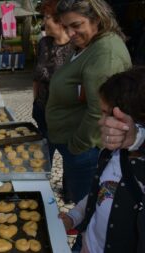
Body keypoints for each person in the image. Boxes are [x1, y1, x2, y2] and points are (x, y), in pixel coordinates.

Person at [45, 0, 132, 204]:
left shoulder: (105, 52)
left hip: (88, 151)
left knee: (87, 209)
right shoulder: (88, 46)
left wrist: (77, 146)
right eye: (66, 27)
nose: (71, 33)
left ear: (97, 19)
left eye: (76, 25)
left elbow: (99, 110)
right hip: (77, 147)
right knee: (81, 207)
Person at [59, 67, 145, 253]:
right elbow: (98, 194)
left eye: (107, 113)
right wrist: (73, 217)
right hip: (88, 246)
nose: (101, 121)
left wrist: (138, 136)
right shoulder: (108, 154)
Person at [32, 0, 73, 170]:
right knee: (42, 155)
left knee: (70, 158)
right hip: (42, 109)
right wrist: (35, 102)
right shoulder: (44, 43)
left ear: (59, 20)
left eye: (46, 17)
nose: (43, 22)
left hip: (64, 114)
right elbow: (36, 76)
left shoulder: (75, 46)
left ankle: (69, 193)